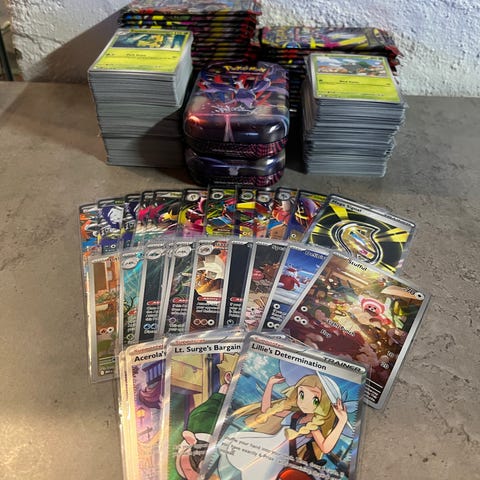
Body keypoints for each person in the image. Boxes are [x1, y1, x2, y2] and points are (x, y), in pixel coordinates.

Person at [216, 371, 349, 480]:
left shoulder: (313, 425)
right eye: (301, 394)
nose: (304, 402)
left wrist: (342, 421)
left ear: (323, 404)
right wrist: (270, 384)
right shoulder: (295, 415)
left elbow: (325, 447)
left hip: (278, 460)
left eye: (315, 400)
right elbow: (266, 410)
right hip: (264, 447)